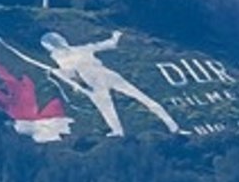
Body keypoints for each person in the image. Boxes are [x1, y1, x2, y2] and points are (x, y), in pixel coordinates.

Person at [40, 30, 186, 137]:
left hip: (99, 78)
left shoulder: (69, 55)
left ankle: (172, 127)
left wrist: (62, 76)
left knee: (136, 100)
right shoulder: (69, 55)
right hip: (97, 80)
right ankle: (119, 132)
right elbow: (73, 74)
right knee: (112, 108)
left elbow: (104, 46)